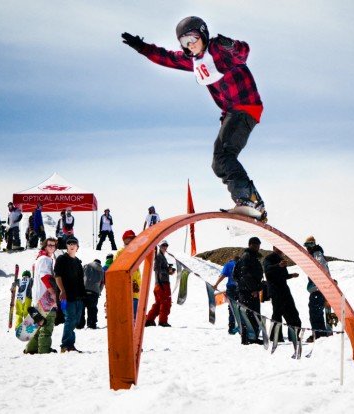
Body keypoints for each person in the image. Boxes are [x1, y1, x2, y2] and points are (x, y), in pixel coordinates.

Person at [122, 16, 266, 221]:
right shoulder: (194, 61)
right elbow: (166, 57)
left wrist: (231, 45)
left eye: (193, 38)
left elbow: (243, 53)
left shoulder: (217, 49)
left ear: (203, 34)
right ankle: (253, 201)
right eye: (184, 42)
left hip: (245, 107)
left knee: (224, 154)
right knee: (218, 164)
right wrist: (142, 47)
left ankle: (247, 198)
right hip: (231, 113)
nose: (190, 45)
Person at [25, 238, 58, 355]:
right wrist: (53, 293)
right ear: (45, 246)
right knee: (46, 325)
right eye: (49, 245)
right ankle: (44, 350)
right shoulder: (45, 259)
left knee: (37, 325)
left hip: (38, 297)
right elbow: (45, 277)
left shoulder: (39, 258)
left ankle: (31, 349)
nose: (52, 247)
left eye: (54, 246)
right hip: (45, 297)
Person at [53, 236, 85, 353]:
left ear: (77, 247)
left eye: (74, 244)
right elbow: (57, 276)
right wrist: (62, 290)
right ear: (66, 246)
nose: (71, 245)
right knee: (69, 319)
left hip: (78, 297)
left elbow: (81, 281)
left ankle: (70, 344)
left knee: (75, 320)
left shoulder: (78, 262)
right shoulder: (62, 259)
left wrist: (83, 297)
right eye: (69, 243)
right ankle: (66, 345)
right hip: (65, 297)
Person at [263, 247, 302, 343]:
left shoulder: (281, 259)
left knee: (292, 312)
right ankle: (276, 337)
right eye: (279, 247)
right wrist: (278, 265)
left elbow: (283, 276)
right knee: (277, 313)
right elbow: (267, 270)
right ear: (274, 248)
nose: (281, 249)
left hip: (284, 289)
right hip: (275, 290)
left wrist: (291, 275)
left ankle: (294, 336)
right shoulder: (268, 258)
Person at [234, 237, 264, 345]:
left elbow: (236, 275)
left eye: (258, 245)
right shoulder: (247, 257)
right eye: (255, 245)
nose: (257, 247)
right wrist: (253, 289)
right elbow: (245, 275)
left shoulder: (250, 257)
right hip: (248, 292)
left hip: (247, 291)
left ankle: (252, 337)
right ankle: (248, 338)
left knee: (252, 314)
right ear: (250, 244)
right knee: (249, 314)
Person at [303, 235, 331, 342]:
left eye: (310, 244)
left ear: (314, 244)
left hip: (318, 289)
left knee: (315, 312)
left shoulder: (317, 253)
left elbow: (322, 266)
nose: (308, 247)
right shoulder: (314, 254)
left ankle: (319, 334)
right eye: (306, 245)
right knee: (316, 312)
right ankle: (320, 333)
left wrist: (320, 283)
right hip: (318, 288)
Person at [145, 240, 176, 327]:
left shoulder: (162, 257)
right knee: (165, 302)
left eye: (166, 246)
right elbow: (156, 269)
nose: (165, 247)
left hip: (160, 284)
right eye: (163, 245)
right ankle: (162, 321)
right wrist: (167, 270)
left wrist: (169, 271)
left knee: (159, 303)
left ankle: (149, 320)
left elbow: (160, 270)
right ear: (159, 246)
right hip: (162, 284)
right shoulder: (159, 257)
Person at [114, 230, 141, 318]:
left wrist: (137, 283)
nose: (133, 240)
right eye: (131, 238)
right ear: (125, 240)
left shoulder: (135, 253)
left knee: (133, 318)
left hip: (135, 291)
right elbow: (117, 270)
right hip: (125, 291)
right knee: (126, 318)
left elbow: (136, 272)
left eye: (134, 238)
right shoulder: (120, 253)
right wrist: (129, 283)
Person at [212, 255, 240, 335]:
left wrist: (216, 284)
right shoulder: (242, 264)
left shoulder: (229, 264)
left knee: (232, 308)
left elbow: (223, 275)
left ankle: (231, 328)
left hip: (231, 289)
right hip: (241, 289)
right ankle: (241, 327)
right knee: (241, 307)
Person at [78, 259, 105, 329]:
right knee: (92, 308)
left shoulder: (86, 266)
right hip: (94, 292)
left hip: (83, 290)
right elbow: (102, 284)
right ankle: (92, 324)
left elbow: (80, 276)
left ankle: (80, 324)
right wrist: (99, 292)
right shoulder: (102, 271)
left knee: (81, 308)